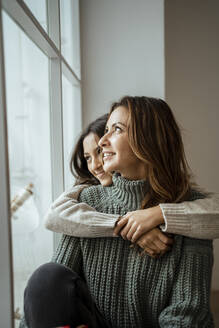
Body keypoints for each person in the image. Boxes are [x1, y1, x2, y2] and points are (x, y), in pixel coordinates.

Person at [49, 96, 213, 327]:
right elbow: (53, 286)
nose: (103, 141)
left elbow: (187, 312)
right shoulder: (87, 202)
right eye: (106, 130)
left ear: (151, 138)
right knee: (44, 278)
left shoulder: (192, 211)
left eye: (116, 129)